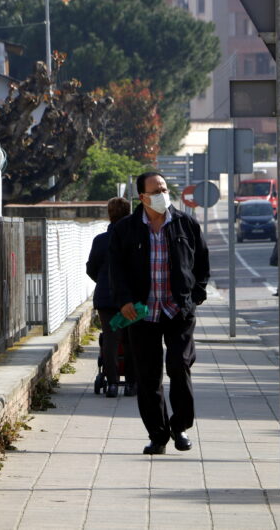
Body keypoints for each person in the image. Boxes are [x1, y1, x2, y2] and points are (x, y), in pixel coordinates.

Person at [109, 171, 210, 455]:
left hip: (177, 310)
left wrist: (195, 297)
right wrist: (125, 301)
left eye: (164, 189)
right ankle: (158, 435)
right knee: (148, 376)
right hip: (141, 314)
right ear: (142, 197)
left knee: (179, 365)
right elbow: (115, 270)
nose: (162, 194)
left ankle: (181, 427)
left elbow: (202, 264)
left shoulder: (185, 224)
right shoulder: (126, 229)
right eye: (156, 190)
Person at [86, 197, 136, 398]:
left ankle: (113, 382)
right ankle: (132, 382)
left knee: (110, 339)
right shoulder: (135, 238)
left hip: (106, 298)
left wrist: (104, 281)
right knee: (132, 339)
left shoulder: (100, 240)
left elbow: (91, 268)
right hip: (131, 298)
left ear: (109, 214)